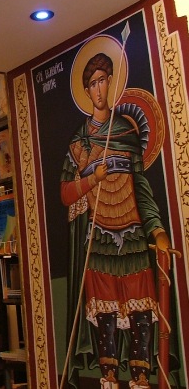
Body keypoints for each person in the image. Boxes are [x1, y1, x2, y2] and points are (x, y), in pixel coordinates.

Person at [60, 52, 171, 388]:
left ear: (110, 83)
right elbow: (66, 193)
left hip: (133, 232)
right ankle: (108, 378)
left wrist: (157, 229)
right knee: (105, 313)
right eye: (92, 83)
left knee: (141, 314)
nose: (98, 89)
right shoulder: (79, 142)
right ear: (86, 90)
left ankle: (140, 379)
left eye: (102, 81)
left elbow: (141, 187)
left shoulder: (126, 134)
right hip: (101, 236)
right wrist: (92, 179)